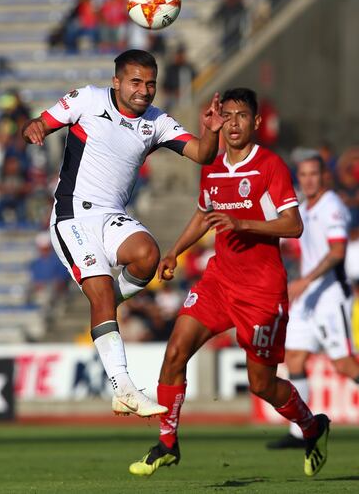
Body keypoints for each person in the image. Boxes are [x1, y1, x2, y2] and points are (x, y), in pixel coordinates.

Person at [129, 88, 329, 478]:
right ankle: (167, 443)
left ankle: (311, 425)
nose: (233, 123)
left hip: (261, 291)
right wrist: (174, 252)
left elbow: (294, 224)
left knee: (262, 385)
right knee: (175, 352)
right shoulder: (214, 166)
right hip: (219, 281)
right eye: (228, 115)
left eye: (241, 116)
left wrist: (243, 223)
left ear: (255, 123)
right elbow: (204, 215)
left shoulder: (269, 165)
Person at [21, 49, 227, 418]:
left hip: (113, 216)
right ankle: (124, 387)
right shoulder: (88, 99)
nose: (144, 90)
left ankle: (104, 311)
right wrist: (35, 126)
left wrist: (211, 131)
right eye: (136, 81)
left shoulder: (157, 121)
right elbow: (40, 122)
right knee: (100, 290)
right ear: (116, 81)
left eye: (150, 83)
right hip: (73, 217)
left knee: (147, 255)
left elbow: (203, 154)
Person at [267, 151, 359, 449]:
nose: (307, 180)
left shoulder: (332, 206)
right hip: (308, 299)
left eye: (313, 174)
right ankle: (301, 432)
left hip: (331, 296)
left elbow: (337, 252)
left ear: (324, 177)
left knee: (345, 365)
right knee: (294, 358)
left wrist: (305, 280)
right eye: (303, 174)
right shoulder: (303, 209)